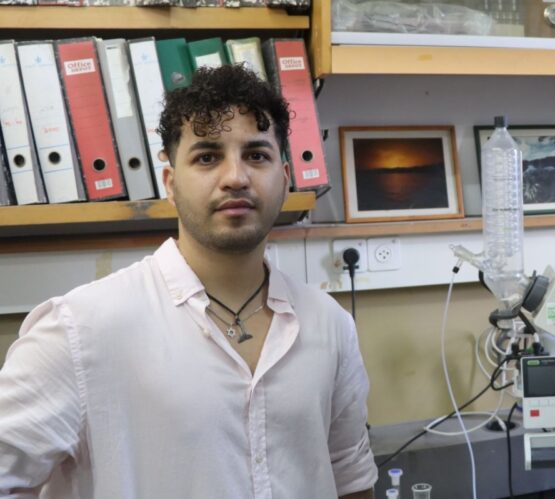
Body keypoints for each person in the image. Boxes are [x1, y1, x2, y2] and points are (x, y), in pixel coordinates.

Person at [0, 64, 377, 499]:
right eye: (207, 157)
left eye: (257, 155)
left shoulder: (330, 325)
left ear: (285, 179)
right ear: (170, 183)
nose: (235, 177)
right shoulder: (79, 331)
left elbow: (351, 480)